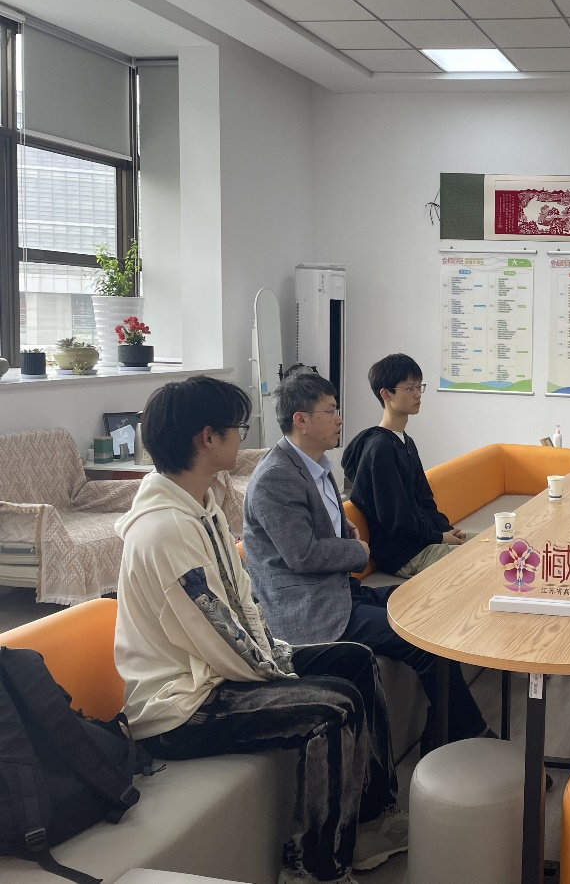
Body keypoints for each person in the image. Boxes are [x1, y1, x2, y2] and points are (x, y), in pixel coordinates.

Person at [113, 375, 406, 884]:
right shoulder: (165, 530)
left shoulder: (200, 507)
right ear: (208, 438)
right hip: (180, 706)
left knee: (354, 658)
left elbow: (243, 600)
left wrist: (276, 654)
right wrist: (282, 672)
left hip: (218, 672)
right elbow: (219, 636)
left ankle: (371, 817)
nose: (243, 438)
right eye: (237, 428)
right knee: (333, 705)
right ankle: (315, 867)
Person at [243, 370, 489, 744]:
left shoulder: (314, 465)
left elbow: (319, 530)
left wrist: (343, 531)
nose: (340, 419)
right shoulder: (276, 477)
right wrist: (356, 550)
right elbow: (302, 555)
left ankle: (442, 730)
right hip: (310, 611)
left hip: (339, 592)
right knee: (422, 638)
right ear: (301, 419)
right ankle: (465, 731)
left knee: (432, 603)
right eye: (330, 410)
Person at [342, 353, 466, 578]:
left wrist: (445, 529)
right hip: (405, 554)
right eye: (409, 388)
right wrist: (439, 537)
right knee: (485, 560)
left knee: (496, 544)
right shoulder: (380, 448)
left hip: (424, 542)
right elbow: (397, 519)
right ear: (386, 394)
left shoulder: (405, 442)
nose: (418, 394)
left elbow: (425, 500)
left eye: (419, 387)